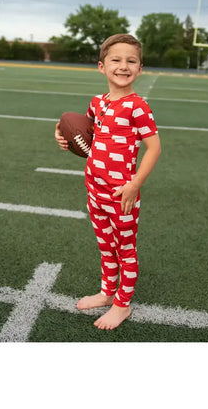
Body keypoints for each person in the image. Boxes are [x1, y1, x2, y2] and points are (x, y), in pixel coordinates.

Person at [55, 33, 161, 330]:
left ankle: (122, 305)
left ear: (140, 69)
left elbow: (154, 148)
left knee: (125, 250)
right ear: (101, 66)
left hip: (122, 193)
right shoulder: (98, 102)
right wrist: (60, 135)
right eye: (116, 60)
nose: (123, 66)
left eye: (131, 61)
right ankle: (106, 292)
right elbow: (80, 128)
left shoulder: (136, 106)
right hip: (94, 189)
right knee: (105, 247)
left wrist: (134, 184)